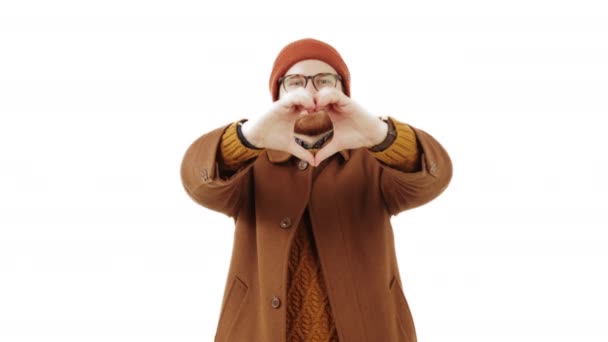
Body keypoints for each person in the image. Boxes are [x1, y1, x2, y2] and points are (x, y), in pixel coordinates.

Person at [180, 38, 452, 342]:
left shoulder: (372, 158)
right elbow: (199, 181)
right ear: (277, 96)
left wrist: (380, 134)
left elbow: (433, 177)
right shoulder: (252, 161)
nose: (310, 92)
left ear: (344, 93)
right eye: (295, 82)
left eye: (324, 81)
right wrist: (248, 137)